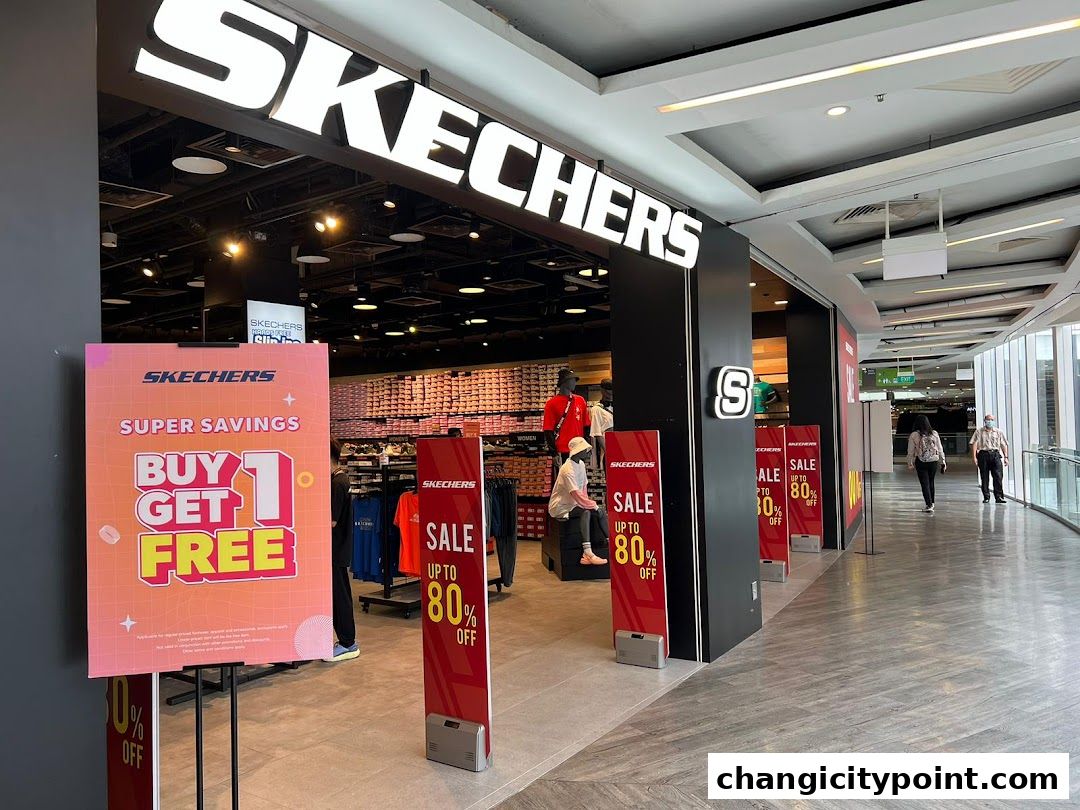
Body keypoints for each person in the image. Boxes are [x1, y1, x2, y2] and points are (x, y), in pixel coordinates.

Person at [548, 436, 608, 565]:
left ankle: (611, 544)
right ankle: (587, 552)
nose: (589, 453)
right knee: (585, 512)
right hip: (561, 506)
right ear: (578, 451)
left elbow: (583, 489)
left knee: (599, 511)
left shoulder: (580, 464)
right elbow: (576, 494)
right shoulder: (567, 470)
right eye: (586, 450)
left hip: (575, 503)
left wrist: (590, 505)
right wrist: (591, 505)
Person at [325, 439, 359, 662]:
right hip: (335, 549)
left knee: (340, 596)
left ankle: (348, 643)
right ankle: (346, 641)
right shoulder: (337, 479)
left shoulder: (338, 483)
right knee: (337, 595)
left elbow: (332, 521)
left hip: (336, 549)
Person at [906, 415, 946, 513]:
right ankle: (932, 502)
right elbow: (940, 449)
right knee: (931, 482)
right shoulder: (934, 433)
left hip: (921, 461)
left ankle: (929, 504)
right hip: (933, 461)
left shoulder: (914, 435)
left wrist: (910, 463)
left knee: (925, 483)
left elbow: (910, 451)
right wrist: (943, 461)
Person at [971, 413, 1009, 504]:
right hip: (983, 455)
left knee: (998, 476)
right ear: (985, 421)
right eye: (988, 420)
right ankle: (986, 496)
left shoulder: (998, 432)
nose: (990, 422)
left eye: (992, 420)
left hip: (995, 454)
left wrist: (1006, 457)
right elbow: (974, 444)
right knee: (984, 477)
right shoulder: (979, 431)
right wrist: (974, 457)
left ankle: (999, 497)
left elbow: (1003, 444)